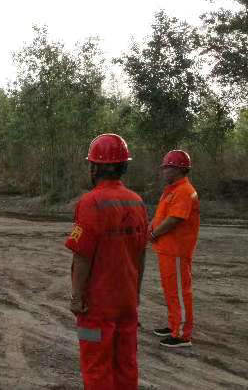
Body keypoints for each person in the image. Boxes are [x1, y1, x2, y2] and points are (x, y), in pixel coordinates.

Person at [65, 133, 148, 389]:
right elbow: (141, 254)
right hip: (127, 303)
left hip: (96, 308)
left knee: (96, 367)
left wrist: (77, 298)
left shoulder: (90, 203)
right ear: (123, 167)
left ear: (94, 168)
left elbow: (82, 256)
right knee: (126, 366)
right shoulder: (137, 202)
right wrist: (135, 294)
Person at [150, 150, 200, 348]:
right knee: (171, 291)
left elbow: (175, 219)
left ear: (178, 169)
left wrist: (154, 233)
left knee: (179, 291)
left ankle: (182, 335)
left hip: (177, 250)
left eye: (167, 167)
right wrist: (152, 226)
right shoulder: (172, 189)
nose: (164, 171)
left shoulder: (184, 191)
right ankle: (174, 325)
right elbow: (163, 215)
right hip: (168, 249)